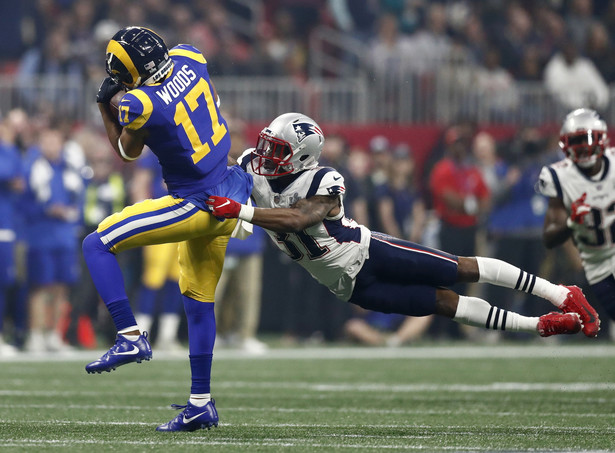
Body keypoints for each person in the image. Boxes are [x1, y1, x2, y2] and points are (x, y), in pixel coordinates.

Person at [207, 112, 601, 346]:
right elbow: (220, 170)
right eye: (266, 145)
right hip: (350, 286)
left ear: (302, 156)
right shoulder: (252, 166)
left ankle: (561, 292)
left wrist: (240, 211)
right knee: (444, 305)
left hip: (368, 251)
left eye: (276, 150)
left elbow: (299, 218)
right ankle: (539, 325)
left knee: (458, 268)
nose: (264, 156)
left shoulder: (323, 180)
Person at [84, 26, 252, 432]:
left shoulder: (139, 103)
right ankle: (200, 403)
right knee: (198, 303)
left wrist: (106, 105)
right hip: (230, 184)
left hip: (197, 202)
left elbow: (127, 152)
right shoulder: (192, 56)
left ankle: (129, 334)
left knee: (96, 244)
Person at [537, 108, 612, 338]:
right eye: (577, 140)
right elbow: (549, 237)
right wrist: (572, 222)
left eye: (588, 139)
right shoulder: (558, 176)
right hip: (597, 265)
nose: (583, 146)